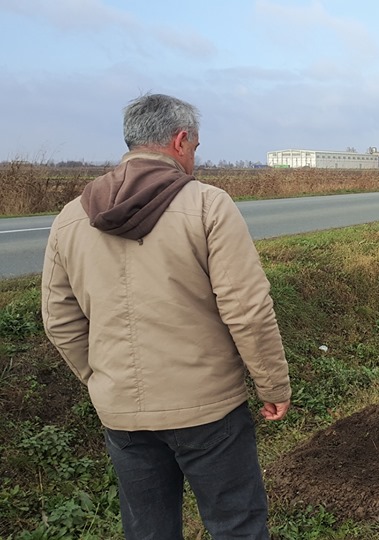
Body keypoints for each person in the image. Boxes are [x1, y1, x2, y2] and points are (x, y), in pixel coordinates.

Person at [41, 93, 291, 539]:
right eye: (195, 147)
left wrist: (101, 376)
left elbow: (59, 318)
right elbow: (247, 309)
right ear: (180, 141)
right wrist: (271, 385)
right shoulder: (208, 205)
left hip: (122, 413)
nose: (195, 158)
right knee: (236, 524)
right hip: (209, 408)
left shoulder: (70, 217)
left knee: (148, 530)